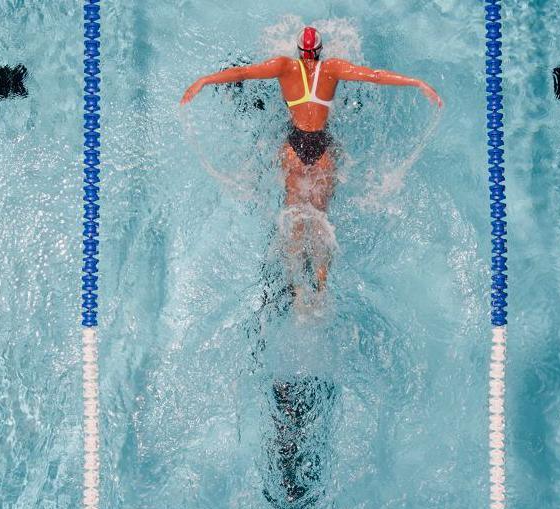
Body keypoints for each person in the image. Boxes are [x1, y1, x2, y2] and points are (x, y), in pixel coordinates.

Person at [181, 26, 443, 304]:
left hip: (294, 149)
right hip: (322, 151)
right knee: (319, 220)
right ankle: (320, 285)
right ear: (319, 51)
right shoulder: (332, 68)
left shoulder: (283, 66)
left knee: (294, 214)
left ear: (298, 50)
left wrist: (204, 81)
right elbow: (375, 76)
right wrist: (417, 83)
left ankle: (296, 289)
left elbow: (242, 73)